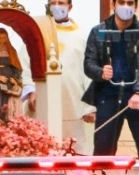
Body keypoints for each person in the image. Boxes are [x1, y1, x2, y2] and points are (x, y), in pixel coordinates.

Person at [83, 0, 139, 157]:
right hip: (108, 94)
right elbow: (88, 64)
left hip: (137, 95)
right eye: (121, 2)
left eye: (130, 3)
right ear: (113, 5)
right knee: (103, 150)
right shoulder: (98, 31)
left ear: (135, 7)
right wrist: (100, 72)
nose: (125, 6)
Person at [50, 0, 95, 150]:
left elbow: (89, 73)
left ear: (70, 7)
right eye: (52, 2)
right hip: (45, 99)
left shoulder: (81, 37)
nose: (56, 6)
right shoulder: (40, 32)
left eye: (61, 2)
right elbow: (25, 62)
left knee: (75, 147)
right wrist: (30, 91)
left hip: (74, 101)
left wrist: (90, 107)